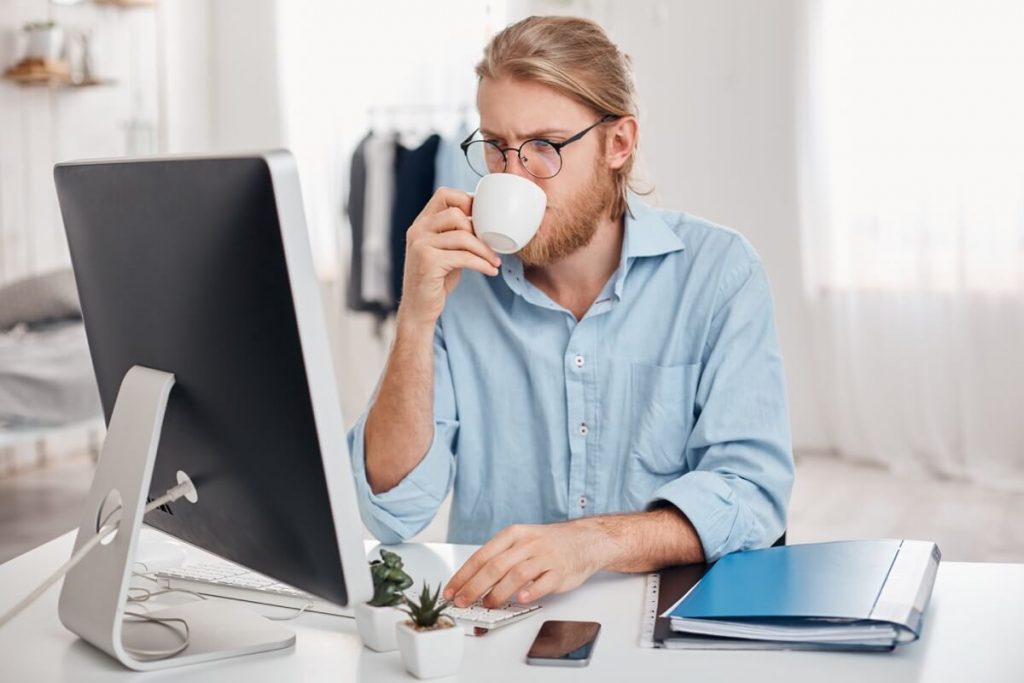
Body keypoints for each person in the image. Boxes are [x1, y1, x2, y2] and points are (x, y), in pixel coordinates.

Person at [346, 15, 794, 610]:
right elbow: (391, 510)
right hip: (500, 623)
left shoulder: (719, 273)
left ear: (618, 143)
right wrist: (415, 318)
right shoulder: (460, 285)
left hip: (662, 616)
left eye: (544, 147)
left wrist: (590, 544)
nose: (513, 177)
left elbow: (754, 496)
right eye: (496, 148)